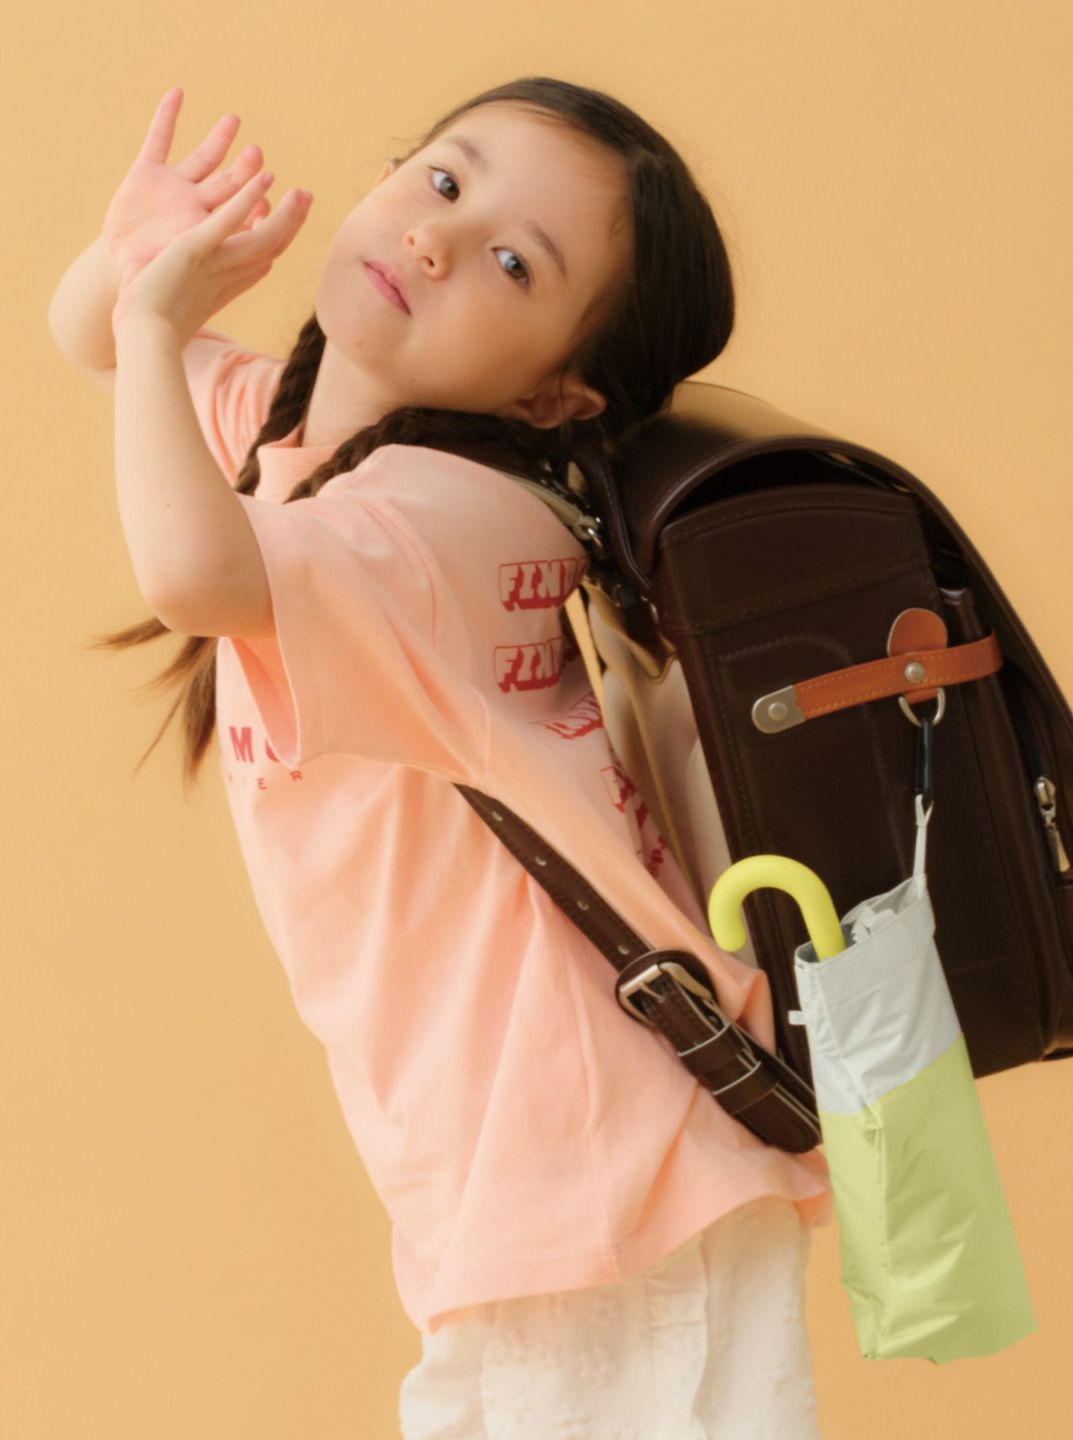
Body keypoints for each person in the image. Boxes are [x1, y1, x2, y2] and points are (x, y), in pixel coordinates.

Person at [50, 76, 833, 1437]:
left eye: (515, 263)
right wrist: (134, 266)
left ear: (556, 390)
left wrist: (149, 313)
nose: (435, 237)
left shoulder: (440, 524)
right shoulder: (310, 436)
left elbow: (190, 569)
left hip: (596, 1184)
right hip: (543, 1188)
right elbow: (99, 348)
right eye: (445, 180)